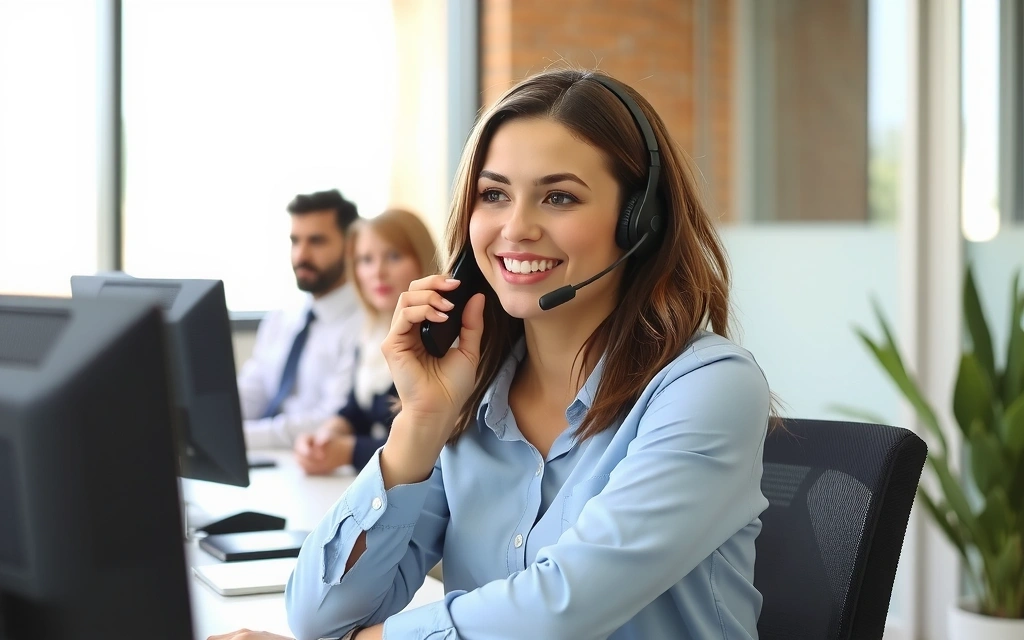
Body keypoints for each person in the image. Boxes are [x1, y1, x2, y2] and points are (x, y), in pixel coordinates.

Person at [212, 69, 771, 640]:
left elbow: (561, 608)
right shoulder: (474, 395)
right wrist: (420, 423)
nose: (516, 228)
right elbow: (319, 615)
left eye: (559, 197)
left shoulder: (708, 389)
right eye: (494, 195)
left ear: (639, 222)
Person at [293, 209, 440, 475]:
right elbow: (357, 411)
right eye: (366, 260)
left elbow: (433, 447)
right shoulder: (371, 331)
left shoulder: (440, 341)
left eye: (393, 256)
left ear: (423, 258)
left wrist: (349, 452)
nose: (378, 272)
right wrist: (326, 436)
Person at [236, 189, 365, 449]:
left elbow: (332, 419)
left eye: (316, 241)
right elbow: (252, 391)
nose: (301, 256)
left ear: (351, 247)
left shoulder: (365, 325)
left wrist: (239, 436)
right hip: (264, 456)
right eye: (295, 241)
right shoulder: (280, 318)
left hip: (315, 461)